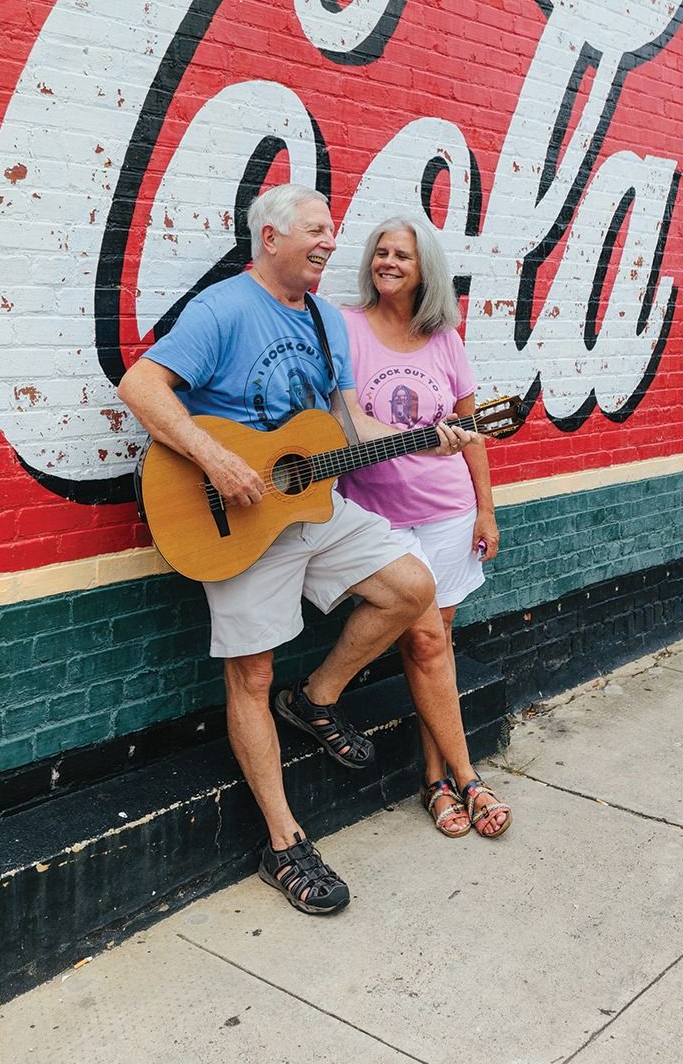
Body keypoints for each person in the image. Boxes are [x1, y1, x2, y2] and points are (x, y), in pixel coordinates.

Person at [116, 184, 474, 916]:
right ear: (271, 237)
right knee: (250, 674)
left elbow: (348, 427)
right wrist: (214, 458)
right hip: (236, 517)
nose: (330, 243)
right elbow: (140, 384)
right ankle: (283, 845)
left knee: (412, 589)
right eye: (316, 230)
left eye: (332, 231)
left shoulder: (325, 322)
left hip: (316, 504)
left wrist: (429, 438)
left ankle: (315, 700)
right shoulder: (223, 308)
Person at [338, 215, 512, 840]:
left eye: (402, 256)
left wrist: (487, 509)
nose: (387, 262)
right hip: (378, 520)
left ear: (423, 270)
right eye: (380, 252)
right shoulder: (348, 328)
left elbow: (474, 433)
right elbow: (343, 419)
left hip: (448, 511)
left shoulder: (444, 338)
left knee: (431, 644)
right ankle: (468, 778)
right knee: (428, 644)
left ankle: (434, 778)